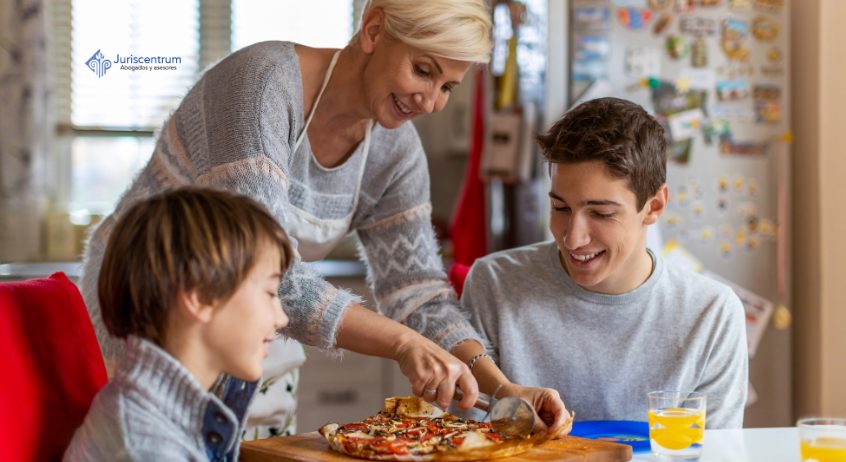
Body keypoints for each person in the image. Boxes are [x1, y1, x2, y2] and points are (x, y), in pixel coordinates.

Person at [79, 0, 568, 437]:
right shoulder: (261, 86)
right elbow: (261, 271)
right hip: (145, 314)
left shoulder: (394, 151)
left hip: (248, 330)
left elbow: (417, 288)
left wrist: (502, 388)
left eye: (447, 87)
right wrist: (402, 343)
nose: (430, 101)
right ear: (373, 29)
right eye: (423, 70)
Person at [459, 97, 748, 429]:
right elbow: (466, 440)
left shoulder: (711, 313)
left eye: (601, 213)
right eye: (561, 208)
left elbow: (714, 454)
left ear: (654, 206)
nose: (573, 238)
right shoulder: (494, 284)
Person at [65, 188, 295, 460]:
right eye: (270, 293)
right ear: (199, 297)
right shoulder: (147, 449)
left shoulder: (145, 411)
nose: (282, 319)